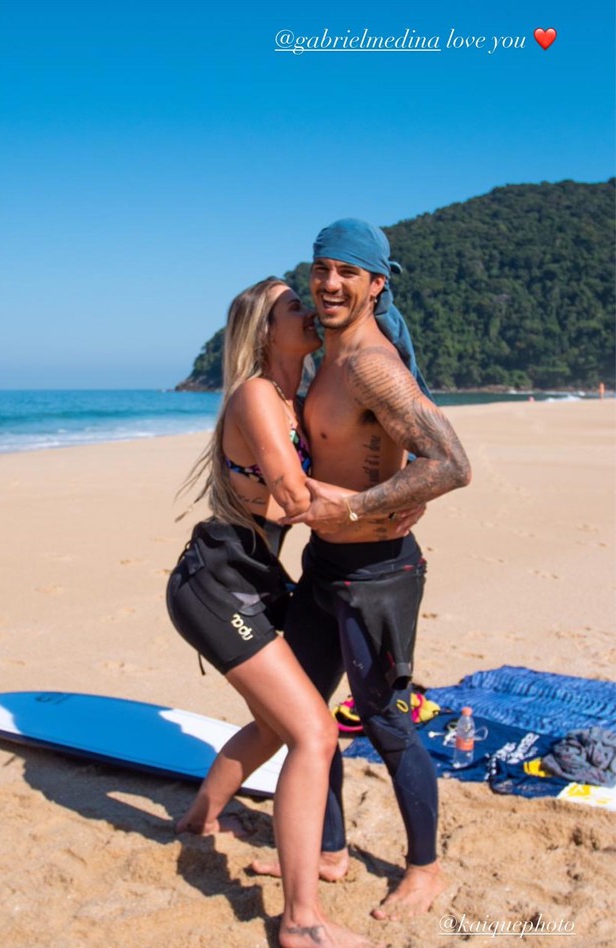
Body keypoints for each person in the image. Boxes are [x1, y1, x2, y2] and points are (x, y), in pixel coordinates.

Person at [166, 277, 415, 948]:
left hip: (251, 578)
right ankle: (301, 922)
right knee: (314, 733)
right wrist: (392, 501)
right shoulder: (255, 396)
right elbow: (293, 492)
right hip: (216, 582)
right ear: (265, 331)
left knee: (281, 724)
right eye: (292, 306)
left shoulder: (295, 401)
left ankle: (199, 820)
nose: (309, 309)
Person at [258, 219, 472, 921]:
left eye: (348, 272)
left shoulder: (372, 366)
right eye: (322, 269)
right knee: (305, 715)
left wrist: (359, 510)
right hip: (325, 566)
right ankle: (329, 850)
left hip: (379, 574)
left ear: (376, 284)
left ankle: (424, 868)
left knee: (386, 721)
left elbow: (452, 465)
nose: (329, 283)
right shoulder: (326, 355)